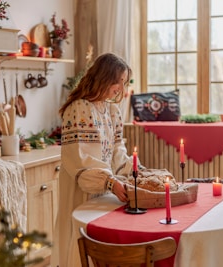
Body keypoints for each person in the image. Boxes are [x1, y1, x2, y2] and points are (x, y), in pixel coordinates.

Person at [51, 53, 139, 267]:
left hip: (105, 190)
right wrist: (109, 182)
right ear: (104, 77)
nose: (121, 87)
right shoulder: (78, 109)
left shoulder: (112, 110)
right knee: (81, 243)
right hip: (82, 191)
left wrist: (135, 170)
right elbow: (82, 163)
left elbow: (117, 151)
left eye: (123, 82)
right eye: (118, 80)